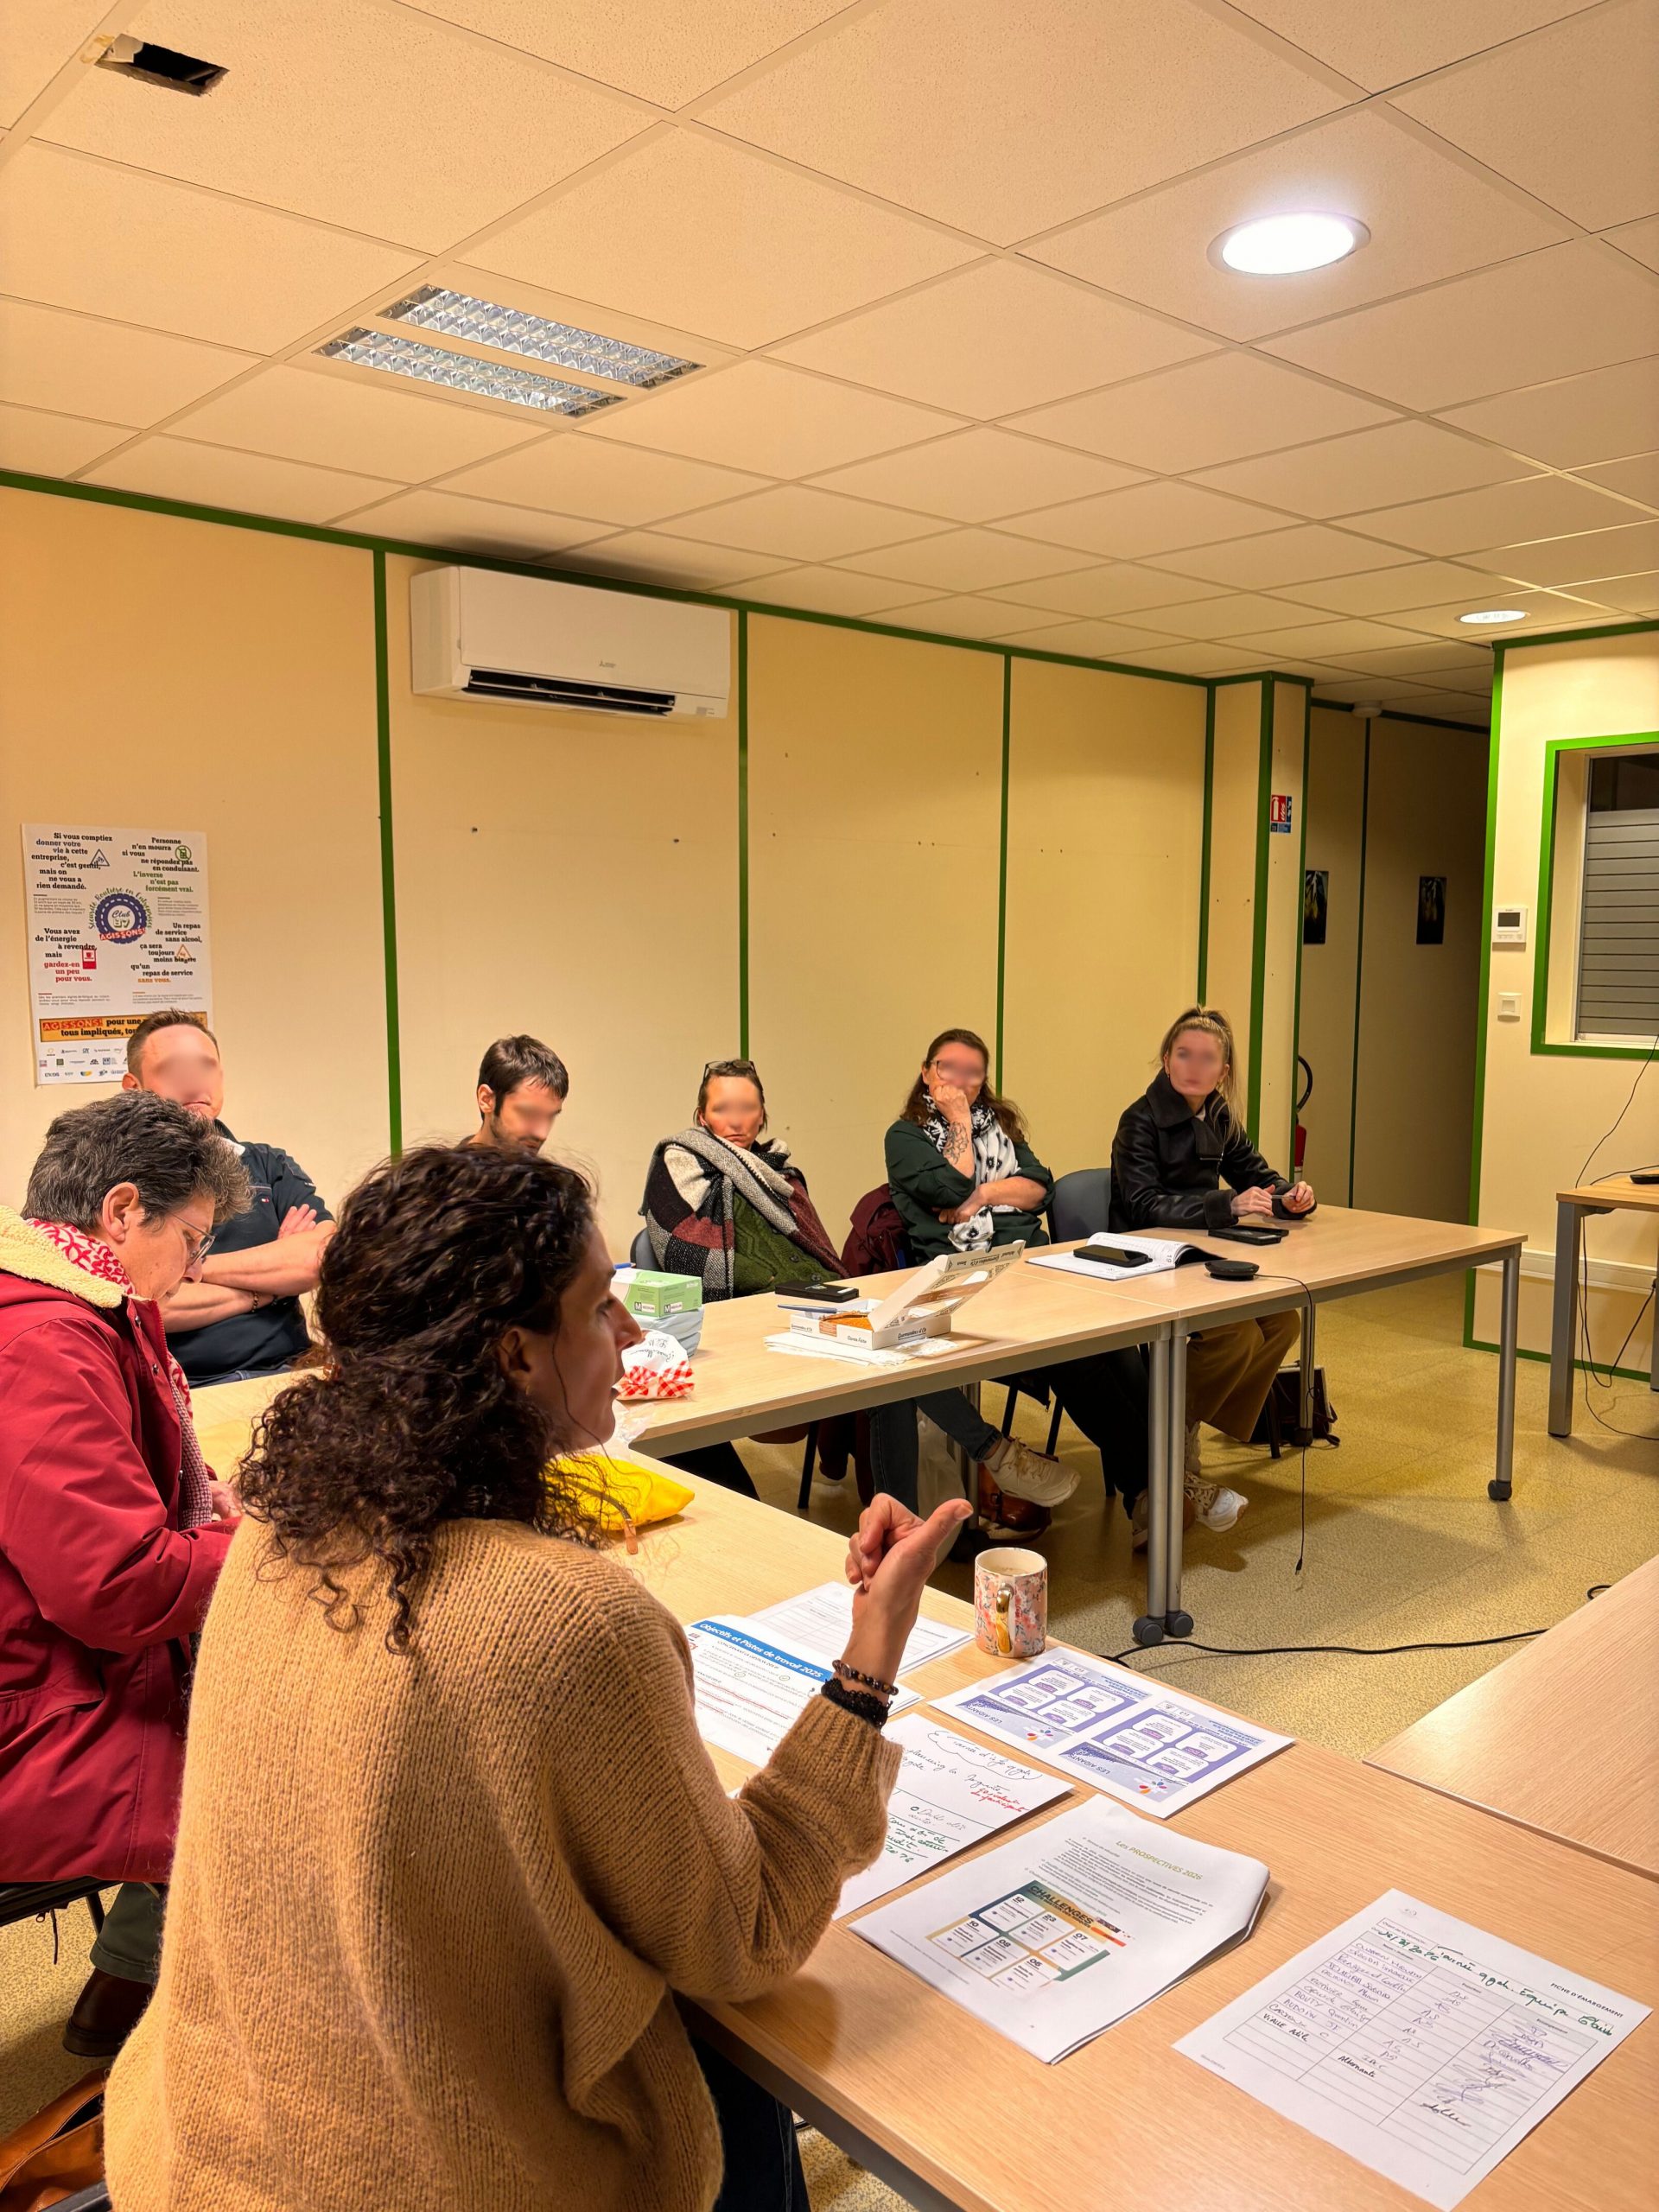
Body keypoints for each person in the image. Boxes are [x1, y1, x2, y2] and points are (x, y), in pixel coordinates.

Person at [105, 1141, 971, 2212]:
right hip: (425, 2183)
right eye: (600, 1305)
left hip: (200, 2150)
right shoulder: (570, 1623)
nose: (632, 1332)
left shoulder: (272, 1537)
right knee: (726, 2071)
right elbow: (742, 1935)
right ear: (516, 1355)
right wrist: (867, 1666)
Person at [0, 1090, 250, 2057]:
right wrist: (274, 1544)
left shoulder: (77, 1300)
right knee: (284, 1760)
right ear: (120, 1210)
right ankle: (194, 2036)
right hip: (36, 1712)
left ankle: (130, 1982)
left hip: (49, 1666)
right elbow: (118, 1586)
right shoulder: (45, 1341)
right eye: (190, 1239)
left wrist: (210, 1506)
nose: (196, 1266)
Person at [643, 1059, 1073, 1522]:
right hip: (740, 1319)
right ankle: (991, 1457)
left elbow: (815, 1253)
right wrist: (783, 1292)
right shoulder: (678, 1163)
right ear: (702, 1116)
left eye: (747, 1108)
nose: (736, 1120)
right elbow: (681, 1252)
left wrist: (825, 1294)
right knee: (888, 1364)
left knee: (893, 1362)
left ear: (763, 1114)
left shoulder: (783, 1174)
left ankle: (908, 1525)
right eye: (722, 1108)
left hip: (810, 1304)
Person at [885, 1029, 1150, 1539]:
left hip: (1029, 1266)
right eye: (948, 1068)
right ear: (926, 1072)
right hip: (966, 1279)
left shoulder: (1001, 1127)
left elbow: (1040, 1188)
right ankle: (1153, 1489)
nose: (961, 1081)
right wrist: (960, 1126)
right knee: (1076, 1355)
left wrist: (983, 1195)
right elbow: (951, 1186)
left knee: (1117, 1341)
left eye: (973, 1072)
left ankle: (1149, 1490)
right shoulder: (905, 1138)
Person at [1111, 1006, 1314, 1532]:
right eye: (1184, 1055)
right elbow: (1142, 1205)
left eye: (1207, 1059)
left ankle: (1185, 1419)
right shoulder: (1139, 1120)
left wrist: (1292, 1197)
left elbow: (1258, 1176)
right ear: (1166, 1060)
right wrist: (1227, 1204)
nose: (1194, 1067)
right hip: (1149, 1259)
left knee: (1282, 1321)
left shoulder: (1220, 1115)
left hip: (1199, 1253)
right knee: (1236, 1333)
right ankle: (1174, 1437)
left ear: (1223, 1071)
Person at [122, 1007, 334, 1387]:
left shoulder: (268, 1164)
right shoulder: (115, 1182)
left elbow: (321, 1258)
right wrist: (271, 1286)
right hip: (182, 1387)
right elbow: (144, 1305)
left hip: (290, 1372)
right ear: (134, 1088)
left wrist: (188, 1271)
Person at [466, 1033, 569, 1155]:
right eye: (529, 1113)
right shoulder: (449, 1167)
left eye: (550, 1116)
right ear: (486, 1099)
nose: (542, 1134)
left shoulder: (538, 1168)